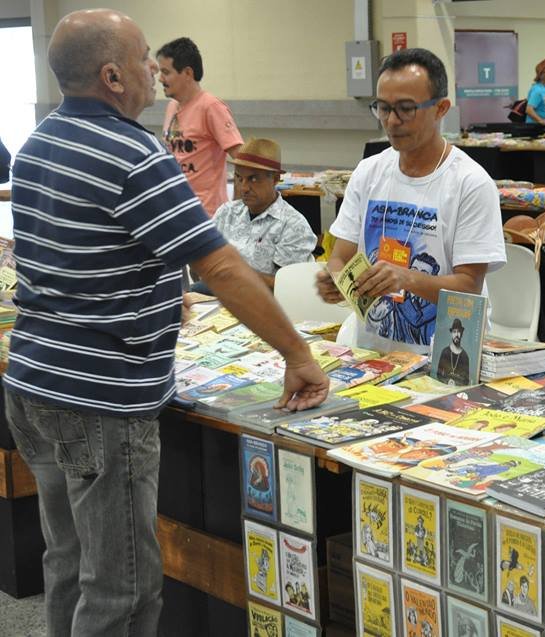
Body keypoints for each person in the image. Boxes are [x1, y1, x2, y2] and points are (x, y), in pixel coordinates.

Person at [5, 10, 328, 636]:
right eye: (144, 57)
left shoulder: (38, 142)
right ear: (112, 75)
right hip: (99, 399)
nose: (154, 70)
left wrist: (151, 290)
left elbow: (78, 253)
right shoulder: (132, 154)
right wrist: (298, 355)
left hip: (33, 384)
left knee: (68, 565)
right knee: (121, 588)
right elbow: (226, 270)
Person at [315, 48, 505, 354]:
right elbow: (341, 257)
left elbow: (469, 286)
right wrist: (337, 281)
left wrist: (406, 278)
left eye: (405, 108)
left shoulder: (470, 182)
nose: (391, 121)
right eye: (382, 107)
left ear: (441, 108)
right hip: (375, 356)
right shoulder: (369, 172)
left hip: (446, 359)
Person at [191, 137, 316, 293]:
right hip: (220, 296)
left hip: (265, 304)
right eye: (239, 178)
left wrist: (234, 274)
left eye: (253, 179)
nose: (244, 188)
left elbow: (287, 285)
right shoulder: (227, 212)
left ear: (275, 179)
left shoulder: (293, 225)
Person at [158, 37, 243, 216]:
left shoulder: (211, 107)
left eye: (166, 72)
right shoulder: (172, 106)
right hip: (175, 210)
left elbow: (242, 159)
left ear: (188, 73)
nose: (160, 79)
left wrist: (237, 209)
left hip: (206, 216)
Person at [436, 318, 471, 385]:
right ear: (451, 333)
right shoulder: (445, 352)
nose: (456, 335)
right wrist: (447, 381)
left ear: (462, 333)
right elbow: (438, 374)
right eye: (454, 332)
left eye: (458, 332)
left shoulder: (465, 356)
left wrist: (456, 383)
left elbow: (466, 381)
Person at [525, 58, 545, 127]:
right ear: (541, 75)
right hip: (534, 129)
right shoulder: (537, 90)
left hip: (542, 127)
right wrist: (541, 121)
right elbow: (529, 110)